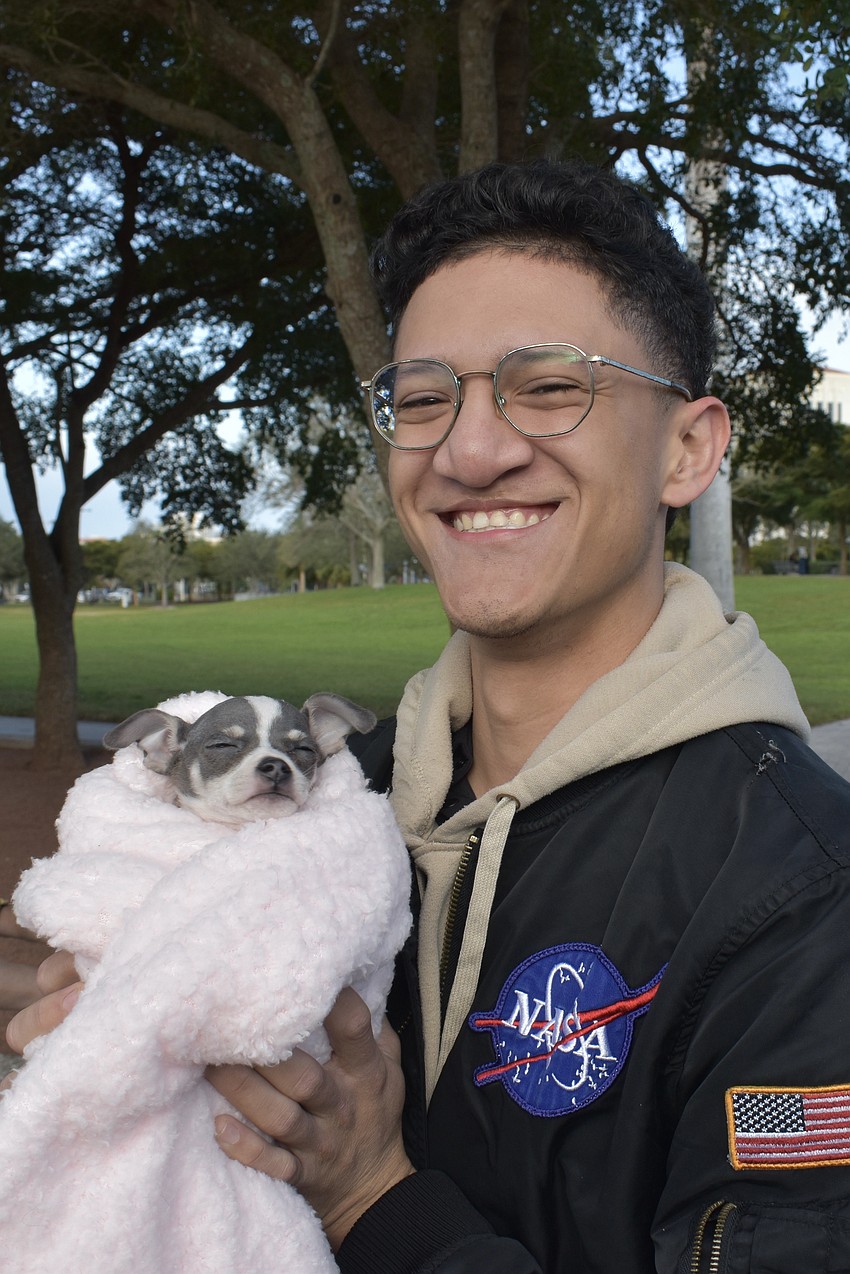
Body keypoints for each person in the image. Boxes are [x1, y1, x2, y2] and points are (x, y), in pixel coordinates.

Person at [9, 160, 850, 1272]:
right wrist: (107, 1040)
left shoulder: (797, 896)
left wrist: (372, 1196)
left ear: (688, 447)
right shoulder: (326, 797)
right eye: (421, 398)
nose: (467, 449)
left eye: (549, 386)